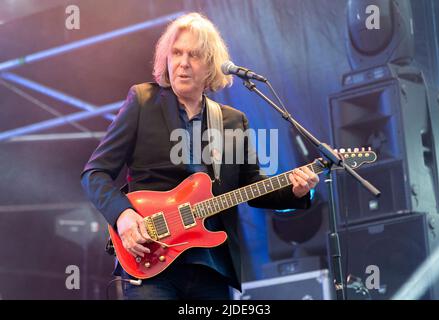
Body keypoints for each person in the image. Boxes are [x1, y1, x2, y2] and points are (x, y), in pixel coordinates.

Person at [81, 12, 319, 300]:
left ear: (209, 65)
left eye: (193, 55)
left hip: (211, 268)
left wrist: (295, 191)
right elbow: (95, 174)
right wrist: (124, 216)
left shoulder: (232, 121)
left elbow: (252, 187)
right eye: (176, 53)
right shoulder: (143, 102)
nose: (182, 63)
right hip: (152, 261)